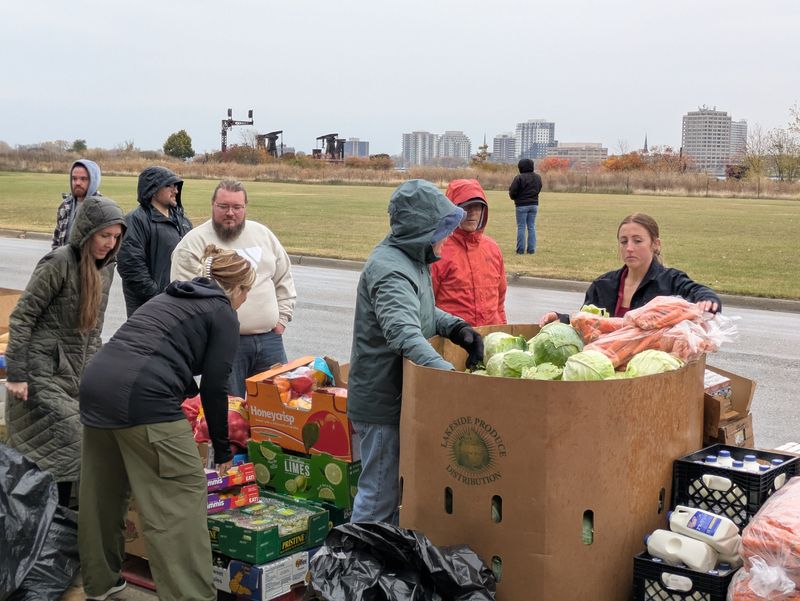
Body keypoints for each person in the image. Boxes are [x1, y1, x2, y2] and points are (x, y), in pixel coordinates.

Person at [77, 244, 254, 601]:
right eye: (247, 290)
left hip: (96, 386)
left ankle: (100, 583)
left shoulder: (169, 298)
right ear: (235, 288)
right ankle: (191, 595)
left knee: (102, 494)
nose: (246, 298)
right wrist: (222, 448)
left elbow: (167, 357)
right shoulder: (222, 312)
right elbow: (216, 386)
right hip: (142, 398)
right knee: (181, 497)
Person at [347, 179, 485, 525]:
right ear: (420, 227)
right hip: (382, 404)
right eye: (439, 227)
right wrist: (447, 376)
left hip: (397, 398)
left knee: (391, 495)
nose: (444, 235)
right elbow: (403, 334)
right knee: (378, 498)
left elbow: (421, 313)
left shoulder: (412, 258)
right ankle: (356, 569)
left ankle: (379, 563)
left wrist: (456, 328)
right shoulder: (391, 268)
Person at [4, 196, 126, 507]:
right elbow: (22, 317)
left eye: (115, 237)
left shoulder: (105, 269)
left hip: (75, 376)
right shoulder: (58, 262)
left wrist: (99, 378)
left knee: (93, 440)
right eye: (104, 236)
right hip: (38, 372)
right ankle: (52, 524)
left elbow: (94, 332)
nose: (110, 244)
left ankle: (64, 525)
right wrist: (17, 374)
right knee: (77, 438)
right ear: (87, 231)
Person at [171, 179, 296, 397]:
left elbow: (283, 278)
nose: (231, 213)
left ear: (245, 207)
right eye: (224, 206)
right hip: (225, 345)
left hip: (270, 340)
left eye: (237, 207)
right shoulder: (192, 244)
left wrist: (281, 320)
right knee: (229, 413)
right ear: (213, 205)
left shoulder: (263, 235)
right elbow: (182, 299)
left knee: (278, 411)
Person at [539, 212, 721, 325]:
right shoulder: (603, 285)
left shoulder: (670, 281)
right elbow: (586, 323)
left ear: (655, 244)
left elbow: (698, 291)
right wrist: (561, 319)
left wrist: (708, 299)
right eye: (623, 241)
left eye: (638, 241)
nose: (629, 248)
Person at [117, 166, 193, 316]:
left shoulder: (183, 221)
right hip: (148, 310)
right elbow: (131, 266)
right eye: (169, 186)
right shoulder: (136, 220)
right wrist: (158, 296)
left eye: (176, 186)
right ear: (153, 190)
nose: (176, 191)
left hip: (179, 305)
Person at [431, 179, 507, 326]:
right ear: (453, 211)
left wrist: (503, 332)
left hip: (489, 338)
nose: (472, 213)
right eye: (466, 208)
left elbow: (499, 302)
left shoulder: (492, 248)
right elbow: (427, 306)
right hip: (453, 342)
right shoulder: (439, 249)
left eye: (477, 207)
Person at [51, 158, 102, 249]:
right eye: (74, 178)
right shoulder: (64, 206)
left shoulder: (102, 208)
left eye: (83, 179)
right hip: (63, 262)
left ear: (93, 181)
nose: (77, 183)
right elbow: (56, 240)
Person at [508, 158, 543, 254]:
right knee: (531, 226)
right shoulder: (538, 177)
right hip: (534, 204)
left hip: (521, 205)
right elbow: (539, 188)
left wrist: (515, 198)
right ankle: (531, 249)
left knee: (521, 227)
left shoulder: (519, 178)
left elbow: (513, 192)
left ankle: (520, 249)